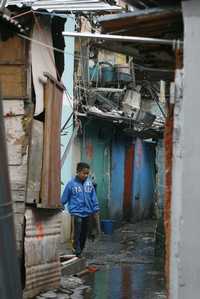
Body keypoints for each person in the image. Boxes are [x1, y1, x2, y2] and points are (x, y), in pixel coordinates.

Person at [61, 162, 100, 257]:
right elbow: (64, 198)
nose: (86, 175)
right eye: (84, 173)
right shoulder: (71, 184)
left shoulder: (89, 184)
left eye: (87, 173)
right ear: (78, 172)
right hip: (76, 213)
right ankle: (77, 251)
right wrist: (61, 204)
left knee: (84, 234)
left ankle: (80, 251)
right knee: (76, 234)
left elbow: (93, 198)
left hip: (87, 213)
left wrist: (95, 209)